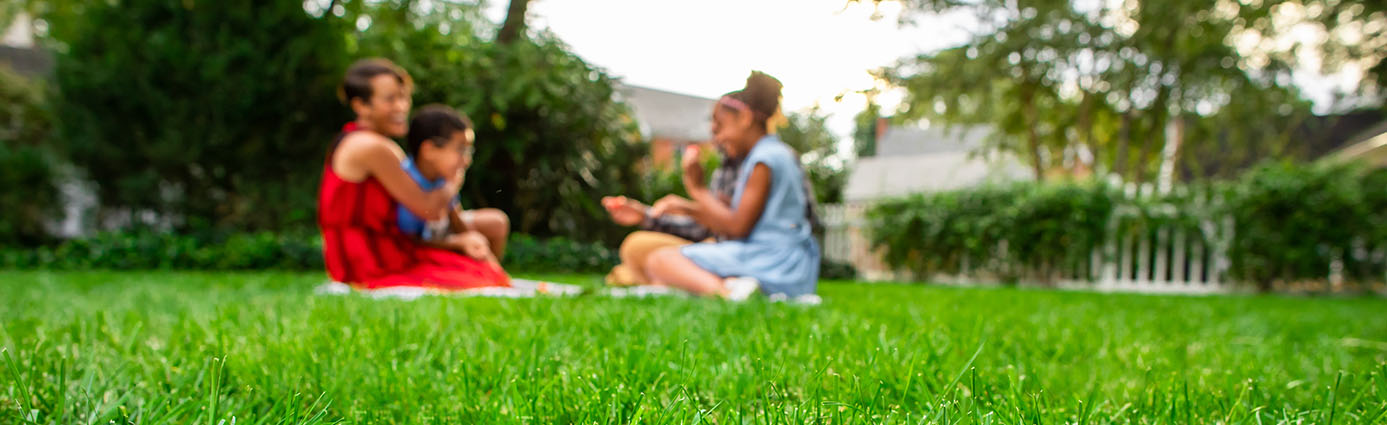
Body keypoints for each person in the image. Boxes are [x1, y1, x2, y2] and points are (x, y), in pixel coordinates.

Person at [316, 58, 509, 290]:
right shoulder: (371, 147)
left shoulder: (359, 140)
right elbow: (425, 207)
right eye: (391, 99)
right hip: (369, 258)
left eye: (404, 97)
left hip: (374, 249)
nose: (402, 107)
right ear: (361, 106)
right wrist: (452, 182)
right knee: (476, 277)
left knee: (480, 270)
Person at [639, 71, 820, 299]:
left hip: (773, 261)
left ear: (744, 118)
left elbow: (737, 227)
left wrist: (697, 189)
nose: (717, 138)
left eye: (720, 127)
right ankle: (737, 285)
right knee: (665, 271)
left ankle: (727, 293)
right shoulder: (779, 154)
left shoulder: (763, 160)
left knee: (660, 260)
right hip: (793, 265)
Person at [395, 104, 503, 272]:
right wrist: (458, 242)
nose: (466, 160)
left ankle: (490, 273)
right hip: (415, 247)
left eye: (469, 151)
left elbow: (455, 218)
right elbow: (408, 240)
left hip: (438, 233)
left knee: (495, 223)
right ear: (429, 150)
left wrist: (472, 241)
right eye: (460, 150)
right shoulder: (408, 181)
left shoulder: (441, 177)